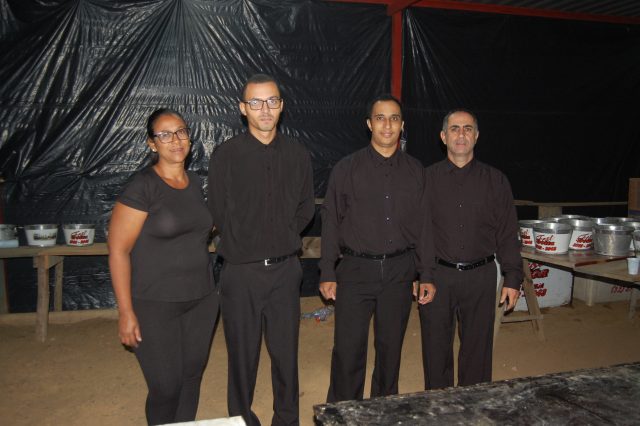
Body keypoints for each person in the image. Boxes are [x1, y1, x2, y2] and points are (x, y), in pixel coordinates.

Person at [207, 73, 314, 426]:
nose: (264, 109)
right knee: (242, 358)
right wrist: (246, 243)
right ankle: (241, 419)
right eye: (255, 102)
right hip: (241, 273)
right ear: (243, 109)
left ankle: (286, 419)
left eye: (271, 101)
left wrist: (283, 234)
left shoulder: (298, 154)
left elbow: (306, 208)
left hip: (285, 272)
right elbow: (218, 210)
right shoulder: (226, 155)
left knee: (286, 355)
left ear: (281, 106)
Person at [319, 94, 436, 403]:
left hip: (399, 272)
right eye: (380, 118)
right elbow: (331, 221)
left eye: (394, 118)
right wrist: (327, 270)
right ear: (369, 124)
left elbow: (425, 226)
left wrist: (426, 273)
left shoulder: (416, 171)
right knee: (348, 351)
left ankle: (383, 411)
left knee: (390, 350)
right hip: (355, 271)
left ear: (402, 125)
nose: (387, 125)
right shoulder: (346, 169)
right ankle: (344, 412)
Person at [108, 108, 219, 425]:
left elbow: (199, 228)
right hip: (154, 302)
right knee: (165, 386)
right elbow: (118, 251)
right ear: (151, 143)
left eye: (181, 132)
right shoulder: (142, 186)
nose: (176, 140)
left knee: (191, 376)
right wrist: (126, 311)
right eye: (165, 134)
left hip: (202, 298)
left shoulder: (195, 183)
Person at [419, 108, 523, 389]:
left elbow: (507, 233)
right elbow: (418, 233)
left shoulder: (496, 181)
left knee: (477, 351)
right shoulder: (425, 180)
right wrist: (421, 274)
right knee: (435, 349)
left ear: (476, 136)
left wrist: (513, 277)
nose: (461, 134)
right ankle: (438, 404)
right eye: (454, 128)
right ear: (443, 137)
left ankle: (474, 404)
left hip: (481, 276)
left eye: (467, 129)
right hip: (437, 276)